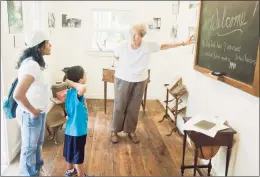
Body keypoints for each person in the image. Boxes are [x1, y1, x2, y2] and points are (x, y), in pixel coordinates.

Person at [110, 24, 192, 144]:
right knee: (120, 106)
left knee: (134, 107)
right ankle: (114, 131)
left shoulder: (148, 45)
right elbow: (115, 55)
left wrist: (183, 43)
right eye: (132, 36)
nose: (133, 39)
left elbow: (164, 46)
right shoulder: (123, 45)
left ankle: (130, 131)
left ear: (142, 37)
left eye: (136, 37)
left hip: (140, 80)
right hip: (123, 78)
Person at [13, 31, 52, 176]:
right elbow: (18, 94)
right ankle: (28, 174)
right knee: (30, 148)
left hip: (38, 112)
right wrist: (32, 111)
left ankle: (36, 171)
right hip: (31, 114)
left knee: (37, 145)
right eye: (48, 43)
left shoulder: (35, 63)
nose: (50, 45)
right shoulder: (31, 65)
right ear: (39, 47)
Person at [63, 66, 88, 177]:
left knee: (69, 153)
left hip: (69, 130)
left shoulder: (69, 92)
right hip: (78, 131)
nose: (86, 76)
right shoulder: (77, 93)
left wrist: (70, 82)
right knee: (78, 156)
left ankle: (69, 171)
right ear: (80, 80)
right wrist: (69, 81)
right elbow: (83, 88)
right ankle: (81, 175)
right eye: (85, 74)